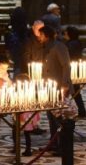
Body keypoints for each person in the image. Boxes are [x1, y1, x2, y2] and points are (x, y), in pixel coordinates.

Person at [24, 25, 72, 155]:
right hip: (48, 87)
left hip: (58, 87)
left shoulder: (58, 46)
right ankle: (53, 142)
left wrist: (65, 83)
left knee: (59, 118)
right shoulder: (46, 47)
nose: (39, 37)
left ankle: (61, 145)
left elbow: (66, 66)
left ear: (46, 35)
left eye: (41, 35)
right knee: (51, 117)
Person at [15, 74, 40, 156]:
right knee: (26, 133)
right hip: (29, 115)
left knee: (18, 131)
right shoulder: (31, 91)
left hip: (23, 114)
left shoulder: (19, 92)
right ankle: (27, 149)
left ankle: (19, 147)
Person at [64, 26, 86, 117]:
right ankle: (81, 111)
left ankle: (64, 111)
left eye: (65, 33)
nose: (64, 34)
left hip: (71, 70)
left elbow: (68, 56)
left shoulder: (70, 44)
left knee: (69, 91)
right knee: (75, 92)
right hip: (75, 68)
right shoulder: (76, 42)